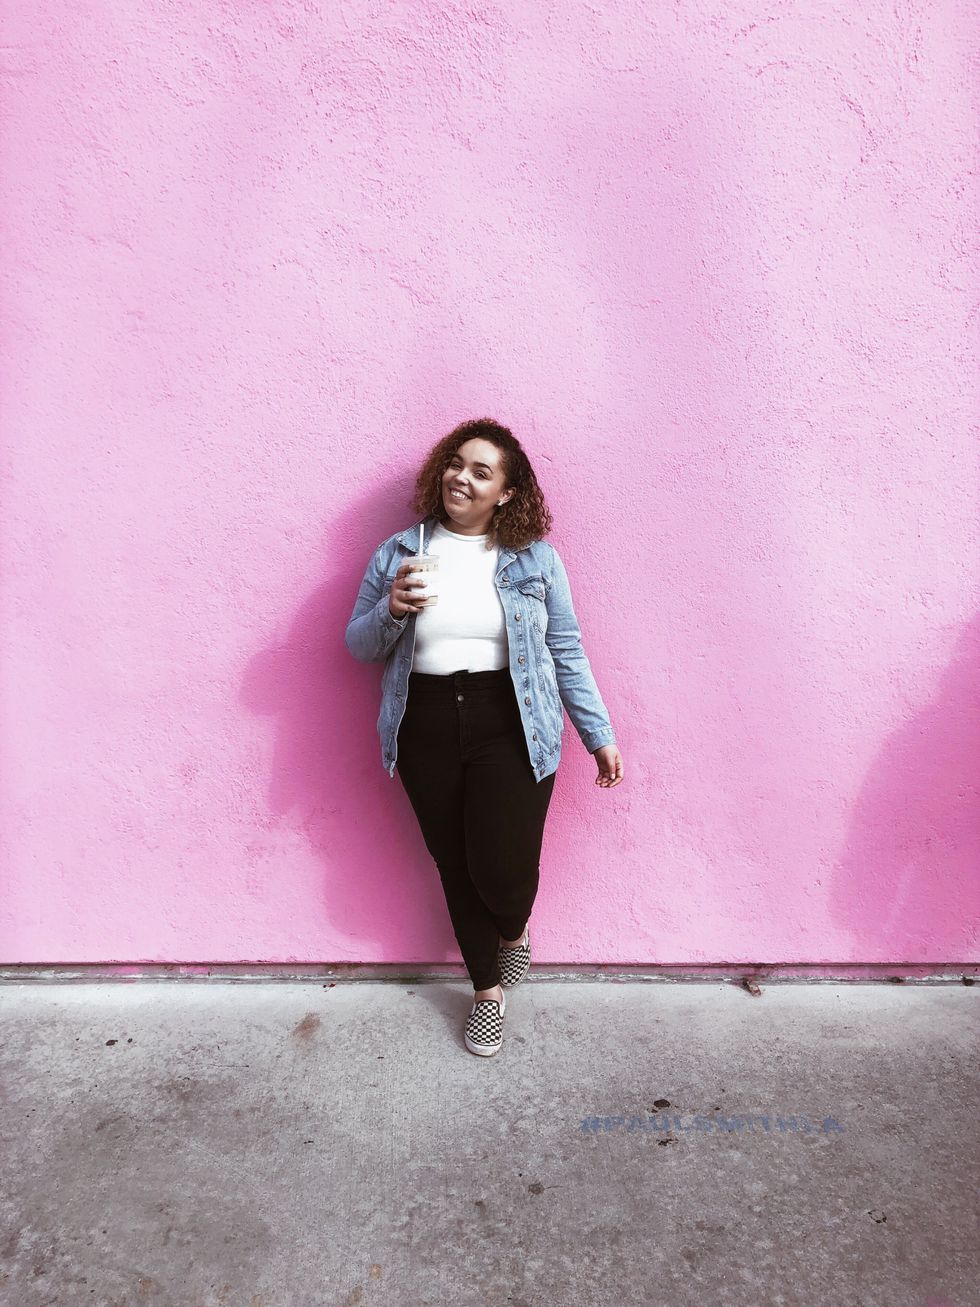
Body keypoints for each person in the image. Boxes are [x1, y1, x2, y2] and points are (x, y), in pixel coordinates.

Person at [345, 417, 624, 1056]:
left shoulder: (534, 559)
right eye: (456, 464)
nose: (461, 478)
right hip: (425, 721)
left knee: (504, 870)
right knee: (454, 863)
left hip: (512, 718)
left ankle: (513, 928)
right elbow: (358, 645)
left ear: (506, 492)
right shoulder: (400, 551)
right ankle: (486, 993)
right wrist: (391, 609)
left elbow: (566, 649)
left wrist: (597, 732)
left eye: (481, 471)